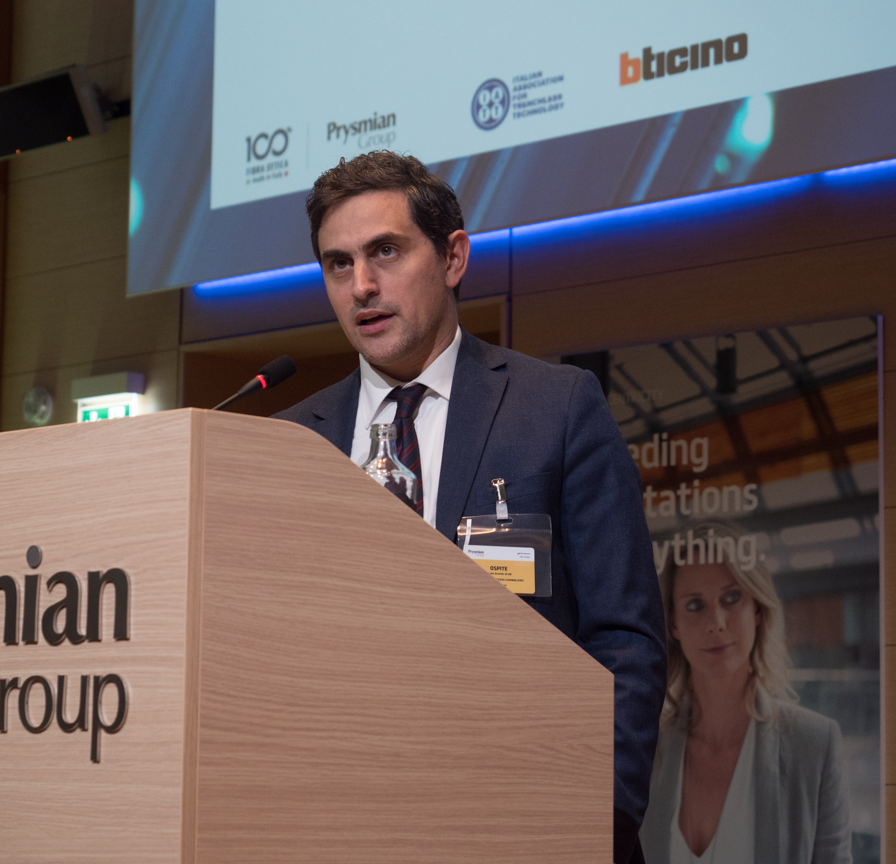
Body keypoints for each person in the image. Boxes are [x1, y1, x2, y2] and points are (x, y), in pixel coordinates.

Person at [272, 150, 666, 864]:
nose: (362, 286)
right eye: (338, 263)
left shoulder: (556, 409)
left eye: (385, 251)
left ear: (453, 257)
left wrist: (597, 817)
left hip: (529, 822)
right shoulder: (291, 442)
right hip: (341, 821)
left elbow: (625, 639)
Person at [638, 522, 851, 863]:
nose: (716, 622)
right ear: (673, 623)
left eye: (732, 598)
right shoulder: (647, 748)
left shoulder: (816, 744)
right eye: (695, 605)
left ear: (758, 610)